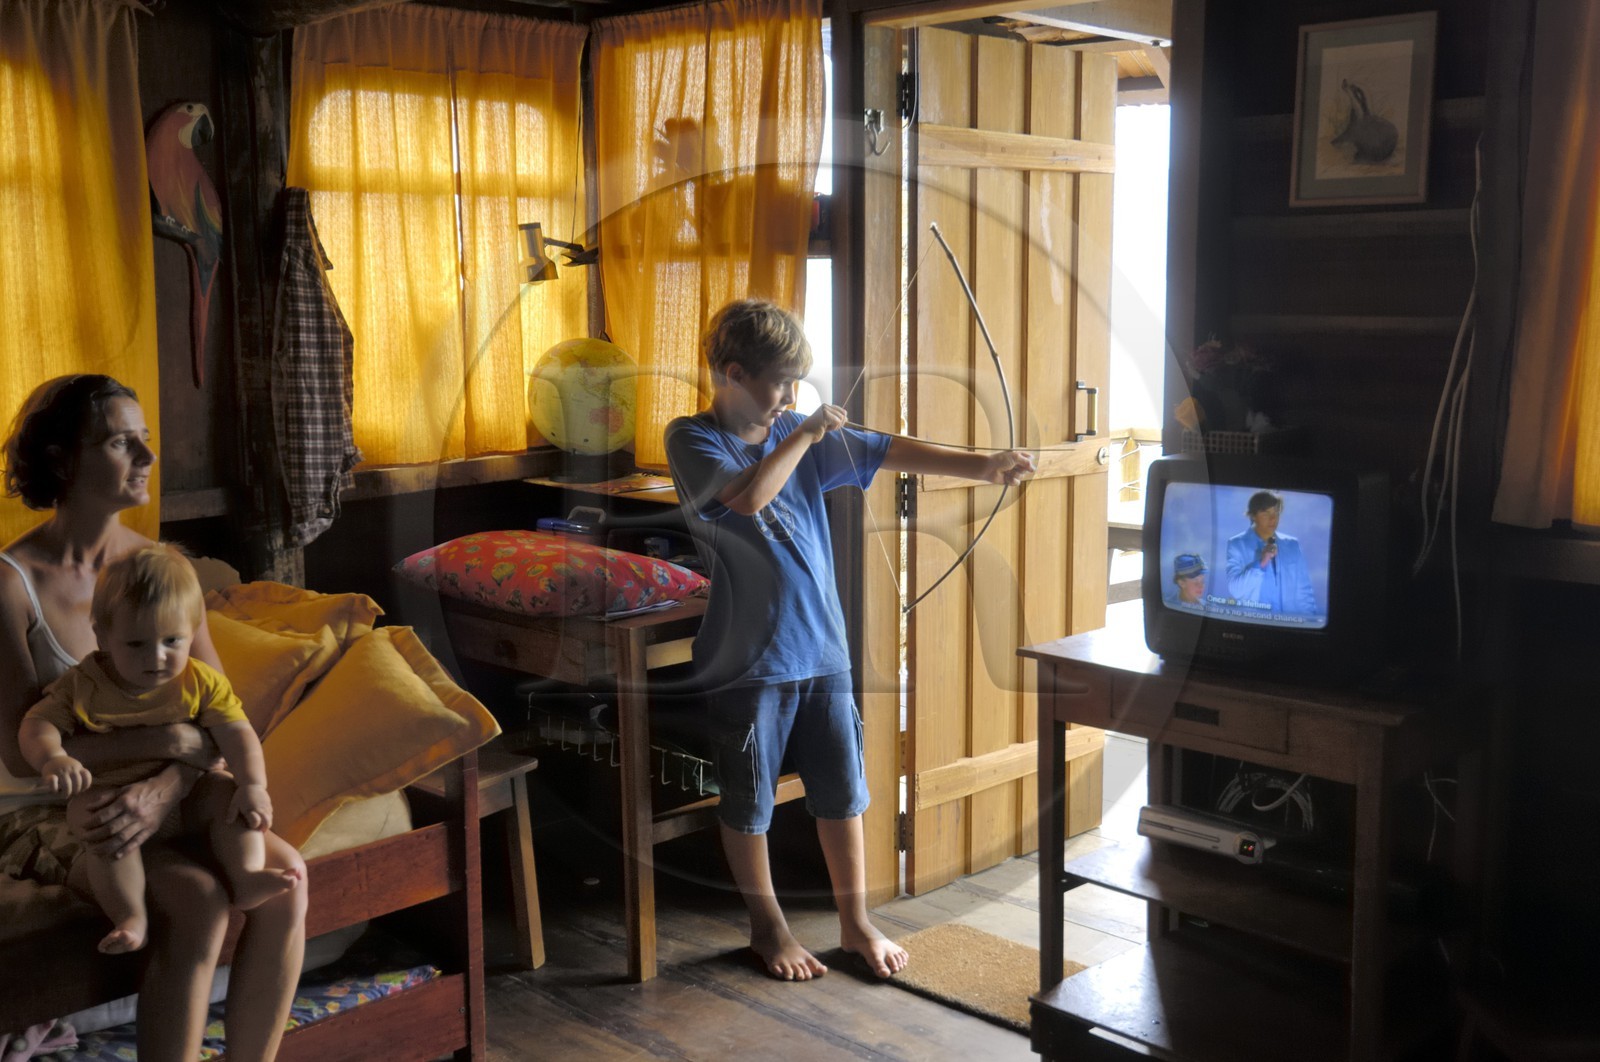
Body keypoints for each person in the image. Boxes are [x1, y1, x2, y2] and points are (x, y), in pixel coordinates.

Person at [665, 299, 1035, 983]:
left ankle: (856, 922)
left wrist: (984, 465)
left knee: (843, 792)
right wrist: (803, 435)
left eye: (797, 383)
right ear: (733, 373)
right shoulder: (693, 438)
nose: (790, 398)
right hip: (748, 661)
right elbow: (748, 499)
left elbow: (887, 447)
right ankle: (767, 926)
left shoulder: (794, 432)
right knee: (748, 800)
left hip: (823, 650)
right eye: (779, 382)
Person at [0, 374, 306, 1062]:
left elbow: (218, 711)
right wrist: (167, 741)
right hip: (50, 806)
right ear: (61, 460)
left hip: (170, 789)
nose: (146, 456)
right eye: (120, 441)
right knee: (196, 901)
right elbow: (22, 755)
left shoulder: (162, 568)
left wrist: (164, 782)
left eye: (146, 439)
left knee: (288, 881)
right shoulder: (9, 586)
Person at [19, 544, 304, 955]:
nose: (157, 657)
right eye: (136, 644)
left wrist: (253, 784)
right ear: (101, 634)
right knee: (92, 820)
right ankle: (130, 915)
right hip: (117, 799)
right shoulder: (85, 683)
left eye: (173, 640)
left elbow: (237, 733)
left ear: (192, 631)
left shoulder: (200, 680)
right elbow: (37, 724)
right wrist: (53, 757)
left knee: (229, 798)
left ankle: (246, 876)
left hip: (190, 794)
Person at [1224, 490, 1317, 615]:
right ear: (1252, 515)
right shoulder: (1236, 544)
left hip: (1286, 625)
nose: (1273, 519)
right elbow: (1235, 590)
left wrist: (1309, 625)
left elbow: (1304, 593)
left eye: (1276, 513)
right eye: (1266, 513)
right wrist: (1261, 564)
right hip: (1253, 624)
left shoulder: (1292, 545)